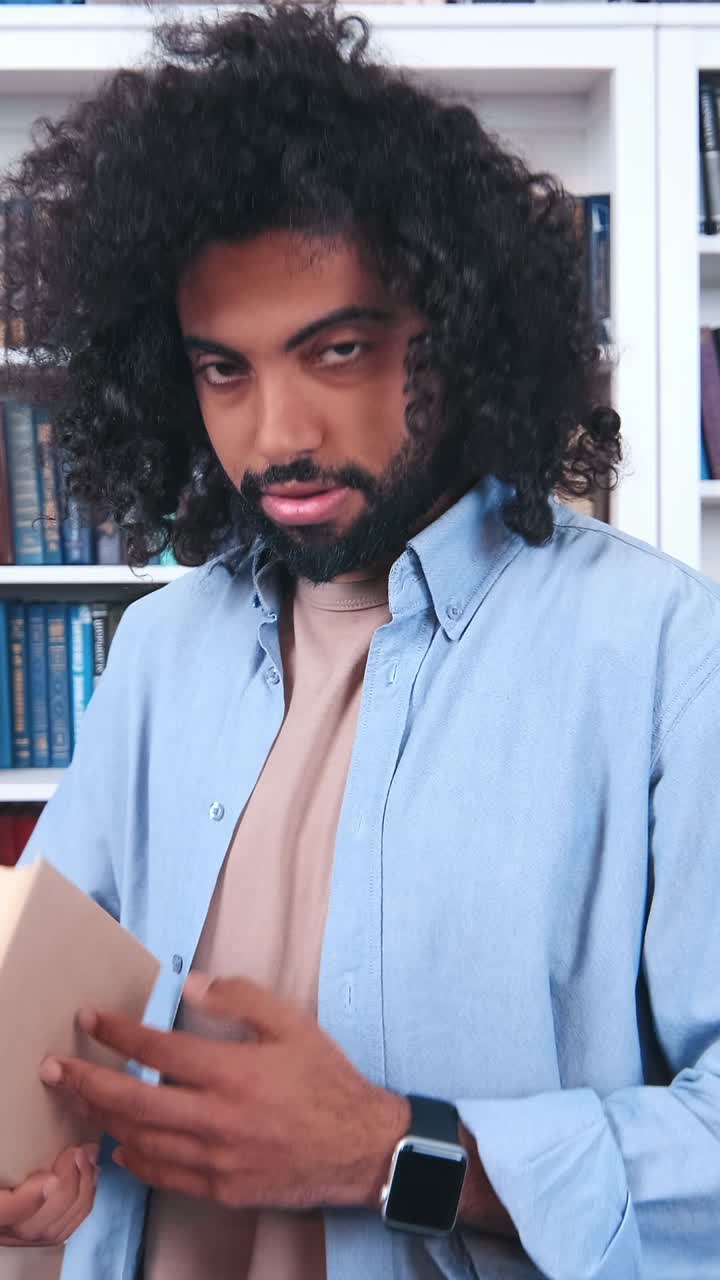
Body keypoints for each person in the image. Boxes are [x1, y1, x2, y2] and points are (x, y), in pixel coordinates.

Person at [1, 2, 719, 1277]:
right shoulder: (161, 653)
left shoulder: (663, 650)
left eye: (338, 349)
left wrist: (395, 1148)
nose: (275, 432)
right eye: (223, 368)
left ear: (458, 335)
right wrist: (40, 1151)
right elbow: (48, 1022)